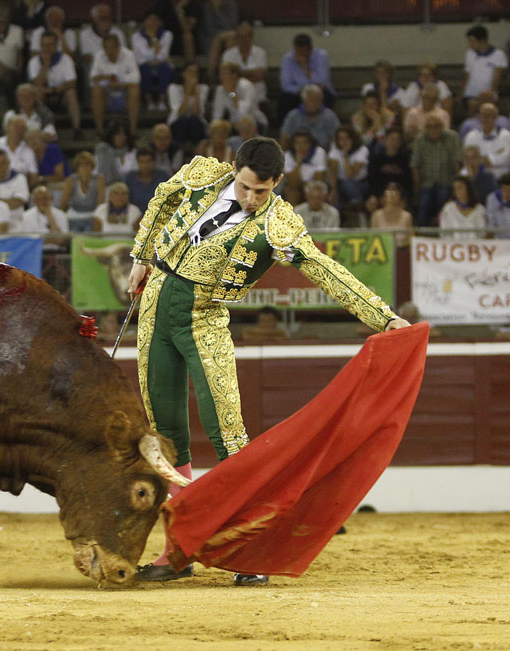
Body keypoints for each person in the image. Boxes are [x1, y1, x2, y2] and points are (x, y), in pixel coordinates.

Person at [126, 137, 410, 585]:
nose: (250, 199)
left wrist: (385, 318)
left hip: (203, 318)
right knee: (165, 433)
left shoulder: (278, 224)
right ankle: (176, 551)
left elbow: (325, 271)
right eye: (244, 188)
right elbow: (162, 198)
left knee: (229, 433)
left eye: (261, 191)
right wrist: (141, 257)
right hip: (157, 304)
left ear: (277, 182)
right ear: (233, 169)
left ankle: (245, 550)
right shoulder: (202, 174)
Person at [28, 31, 82, 139]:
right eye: (44, 45)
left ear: (56, 45)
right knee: (36, 93)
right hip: (44, 96)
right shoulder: (34, 61)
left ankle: (77, 130)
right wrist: (45, 65)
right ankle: (42, 130)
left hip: (60, 94)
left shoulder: (65, 59)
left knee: (71, 93)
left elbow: (71, 83)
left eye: (50, 45)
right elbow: (36, 83)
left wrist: (53, 90)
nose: (47, 48)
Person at [410, 115, 460, 227]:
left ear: (443, 126)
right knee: (423, 203)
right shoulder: (420, 139)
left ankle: (443, 235)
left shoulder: (452, 137)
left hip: (447, 181)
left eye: (436, 126)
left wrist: (457, 185)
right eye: (429, 127)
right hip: (426, 182)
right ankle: (421, 237)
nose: (433, 129)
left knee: (444, 201)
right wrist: (416, 189)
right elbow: (415, 165)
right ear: (425, 128)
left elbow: (456, 162)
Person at [89, 33, 141, 136]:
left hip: (124, 94)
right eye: (107, 48)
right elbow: (92, 79)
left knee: (134, 89)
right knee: (96, 90)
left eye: (113, 47)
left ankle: (133, 130)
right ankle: (99, 130)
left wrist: (120, 82)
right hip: (107, 94)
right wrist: (109, 78)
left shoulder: (129, 55)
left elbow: (137, 78)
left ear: (118, 47)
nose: (110, 51)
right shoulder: (99, 56)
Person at [277, 33, 335, 123]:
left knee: (325, 97)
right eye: (298, 51)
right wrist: (301, 90)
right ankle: (286, 128)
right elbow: (285, 84)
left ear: (310, 48)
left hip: (319, 90)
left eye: (303, 52)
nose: (300, 54)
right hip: (297, 92)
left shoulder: (321, 56)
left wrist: (305, 68)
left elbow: (322, 80)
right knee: (285, 99)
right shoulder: (288, 59)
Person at [132, 10, 173, 112]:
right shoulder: (136, 37)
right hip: (144, 65)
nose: (152, 23)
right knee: (144, 69)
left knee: (165, 68)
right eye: (150, 20)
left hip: (161, 65)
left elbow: (163, 55)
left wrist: (152, 44)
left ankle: (162, 101)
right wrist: (156, 49)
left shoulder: (167, 34)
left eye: (155, 20)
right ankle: (149, 101)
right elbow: (141, 55)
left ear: (160, 22)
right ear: (144, 22)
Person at [280, 84, 339, 151]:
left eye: (318, 100)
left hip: (324, 153)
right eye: (311, 100)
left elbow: (337, 138)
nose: (315, 103)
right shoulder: (293, 116)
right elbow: (284, 137)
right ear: (304, 100)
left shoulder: (330, 116)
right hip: (297, 154)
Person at [220, 21, 267, 106]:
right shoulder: (228, 54)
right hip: (233, 95)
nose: (243, 40)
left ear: (251, 37)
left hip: (258, 97)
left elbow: (260, 75)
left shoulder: (261, 53)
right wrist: (251, 73)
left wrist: (237, 74)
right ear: (236, 38)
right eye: (241, 37)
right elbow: (226, 77)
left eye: (246, 37)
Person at [462, 25, 506, 114]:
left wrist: (490, 93)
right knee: (473, 104)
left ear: (482, 40)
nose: (470, 45)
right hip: (471, 93)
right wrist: (461, 93)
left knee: (486, 107)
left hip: (489, 93)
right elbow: (467, 75)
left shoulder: (498, 54)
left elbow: (497, 77)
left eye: (472, 41)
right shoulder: (469, 54)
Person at [211, 61, 265, 132]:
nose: (221, 77)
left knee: (243, 125)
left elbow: (244, 113)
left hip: (254, 122)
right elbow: (217, 114)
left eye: (224, 74)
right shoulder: (220, 89)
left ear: (234, 75)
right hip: (234, 123)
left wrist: (232, 92)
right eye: (221, 74)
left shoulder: (247, 86)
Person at [166, 61, 209, 148]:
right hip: (177, 122)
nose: (193, 75)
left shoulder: (204, 88)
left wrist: (196, 93)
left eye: (196, 72)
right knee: (183, 121)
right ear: (183, 73)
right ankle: (180, 150)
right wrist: (188, 92)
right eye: (190, 72)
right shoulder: (173, 88)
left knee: (193, 120)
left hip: (196, 122)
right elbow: (181, 112)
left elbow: (197, 112)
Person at [59, 150, 104, 231]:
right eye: (81, 165)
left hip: (92, 216)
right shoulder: (71, 180)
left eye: (87, 164)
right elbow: (63, 202)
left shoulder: (99, 179)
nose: (84, 167)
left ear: (92, 166)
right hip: (74, 216)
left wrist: (97, 220)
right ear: (77, 167)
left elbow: (100, 204)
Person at [463, 103, 510, 180]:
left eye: (489, 116)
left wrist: (480, 159)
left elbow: (506, 159)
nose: (485, 119)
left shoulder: (506, 136)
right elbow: (468, 160)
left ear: (496, 118)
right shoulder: (471, 136)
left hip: (501, 180)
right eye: (483, 115)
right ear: (479, 117)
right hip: (477, 180)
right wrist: (496, 156)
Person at [327, 126, 369, 210]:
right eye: (341, 139)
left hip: (359, 184)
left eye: (347, 138)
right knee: (334, 197)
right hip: (340, 183)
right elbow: (333, 172)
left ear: (353, 138)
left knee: (348, 184)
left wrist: (345, 155)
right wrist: (333, 190)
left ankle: (357, 204)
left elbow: (350, 174)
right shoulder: (335, 149)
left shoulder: (362, 150)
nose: (344, 142)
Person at [0, 114, 37, 180]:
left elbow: (34, 175)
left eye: (22, 128)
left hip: (21, 186)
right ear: (7, 127)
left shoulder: (29, 150)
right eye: (16, 126)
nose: (18, 130)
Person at [368, 127, 412, 201]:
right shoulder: (377, 158)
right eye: (392, 139)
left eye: (397, 140)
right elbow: (373, 179)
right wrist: (378, 195)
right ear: (385, 139)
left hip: (399, 192)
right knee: (372, 202)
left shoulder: (405, 158)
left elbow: (407, 181)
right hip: (381, 190)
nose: (394, 142)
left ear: (401, 142)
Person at [77, 2, 125, 68]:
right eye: (101, 17)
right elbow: (88, 58)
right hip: (94, 70)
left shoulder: (118, 33)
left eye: (107, 17)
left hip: (117, 68)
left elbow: (123, 55)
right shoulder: (84, 34)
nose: (105, 20)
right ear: (94, 19)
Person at [0, 148, 29, 225]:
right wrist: (9, 201)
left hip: (15, 220)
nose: (1, 167)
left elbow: (18, 203)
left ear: (8, 162)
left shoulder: (20, 178)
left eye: (3, 163)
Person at [125, 146, 169, 213]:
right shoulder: (130, 178)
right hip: (135, 217)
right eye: (142, 162)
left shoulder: (163, 177)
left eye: (149, 161)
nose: (145, 165)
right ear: (137, 162)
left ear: (154, 161)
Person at [370, 182, 413, 247]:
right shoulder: (376, 215)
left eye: (395, 191)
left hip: (401, 251)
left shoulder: (407, 216)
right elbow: (372, 238)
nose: (392, 193)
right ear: (384, 197)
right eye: (389, 190)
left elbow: (410, 240)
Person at [94, 120, 135, 185]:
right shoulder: (103, 151)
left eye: (124, 134)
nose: (121, 137)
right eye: (117, 134)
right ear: (111, 135)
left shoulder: (133, 153)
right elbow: (97, 174)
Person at [485, 173, 510, 239]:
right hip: (499, 241)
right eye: (504, 190)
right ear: (501, 188)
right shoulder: (493, 198)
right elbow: (491, 224)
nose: (507, 194)